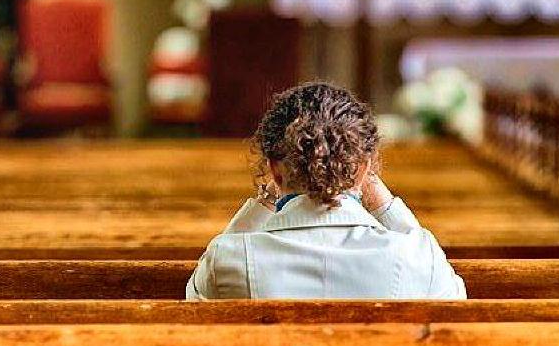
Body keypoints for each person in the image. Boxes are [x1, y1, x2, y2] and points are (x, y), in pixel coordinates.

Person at [186, 82, 466, 300]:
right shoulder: (417, 256)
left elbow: (197, 294)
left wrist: (266, 198)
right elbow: (453, 300)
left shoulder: (228, 260)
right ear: (363, 169)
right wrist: (379, 197)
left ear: (275, 171)